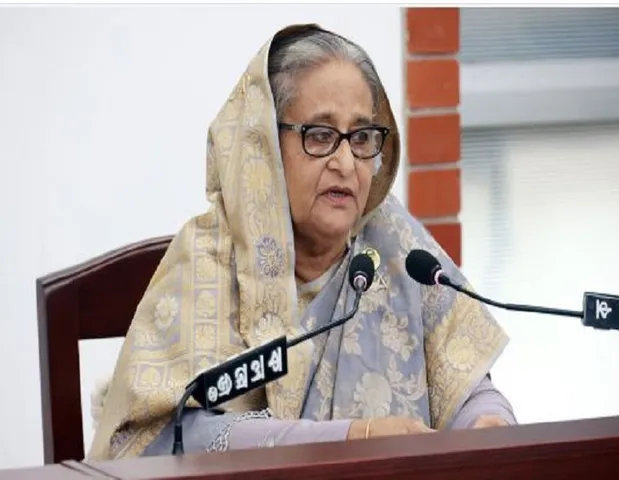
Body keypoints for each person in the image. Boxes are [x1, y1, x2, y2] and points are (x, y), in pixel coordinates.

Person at [88, 23, 516, 461]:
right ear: (265, 146)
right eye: (321, 135)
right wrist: (352, 438)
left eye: (362, 137)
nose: (346, 162)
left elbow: (469, 388)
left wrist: (488, 423)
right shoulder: (209, 262)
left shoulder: (394, 245)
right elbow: (171, 436)